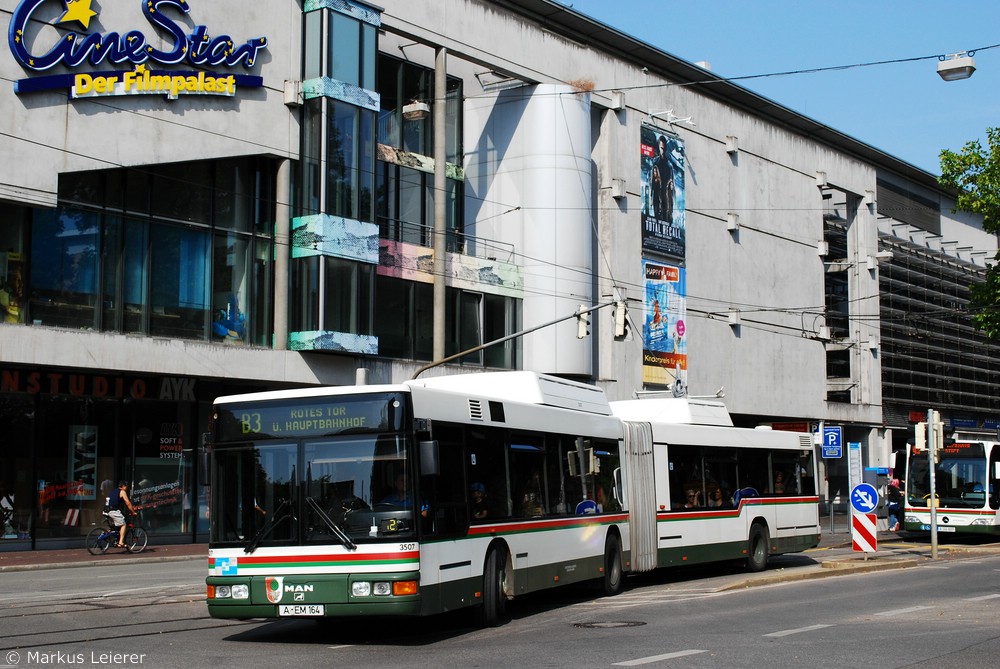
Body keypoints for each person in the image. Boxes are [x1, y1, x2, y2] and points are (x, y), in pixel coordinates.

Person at [107, 480, 136, 547]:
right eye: (126, 486)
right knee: (123, 524)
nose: (127, 488)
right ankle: (120, 542)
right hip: (113, 510)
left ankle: (108, 534)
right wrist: (133, 512)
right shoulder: (122, 492)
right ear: (123, 486)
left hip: (107, 510)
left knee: (115, 526)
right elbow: (128, 503)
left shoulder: (114, 491)